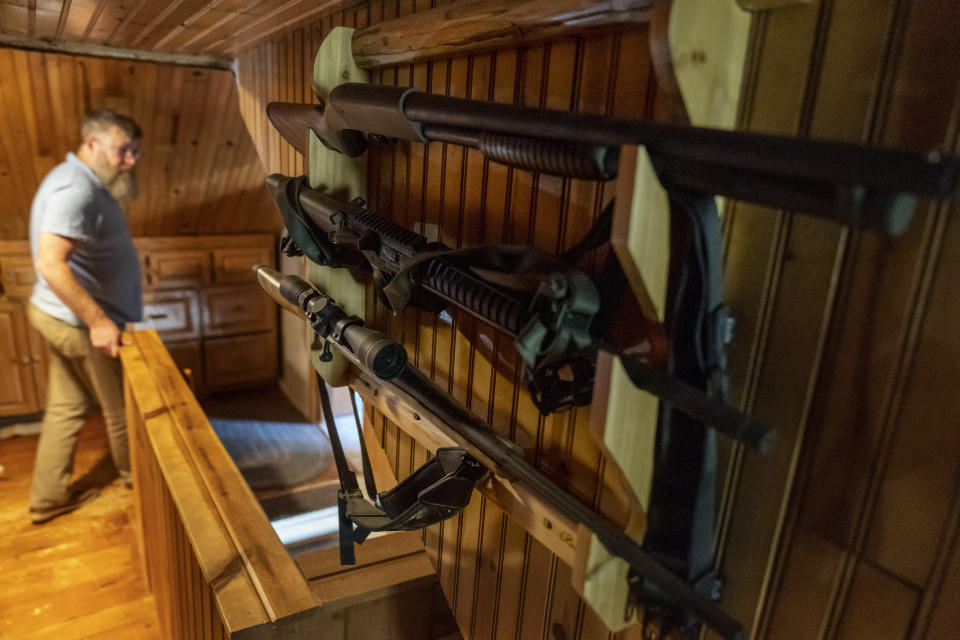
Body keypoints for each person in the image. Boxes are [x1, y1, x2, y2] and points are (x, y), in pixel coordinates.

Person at [27, 109, 143, 524]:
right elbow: (51, 263)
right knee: (122, 409)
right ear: (91, 144)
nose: (130, 160)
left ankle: (47, 498)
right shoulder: (77, 189)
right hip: (78, 323)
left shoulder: (81, 180)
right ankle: (141, 485)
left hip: (58, 315)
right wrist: (98, 322)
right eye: (122, 151)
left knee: (66, 406)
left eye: (134, 152)